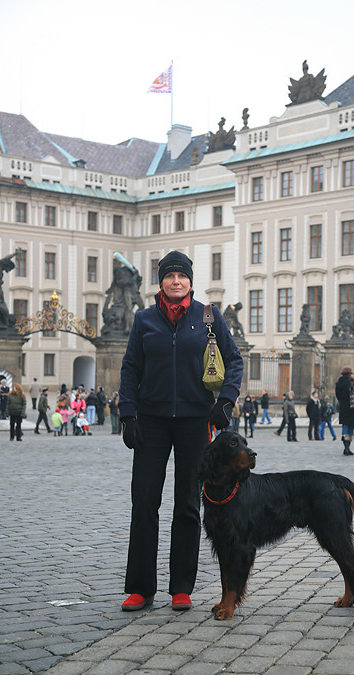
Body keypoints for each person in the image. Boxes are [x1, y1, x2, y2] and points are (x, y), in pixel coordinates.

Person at [118, 250, 243, 613]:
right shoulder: (144, 320)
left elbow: (234, 359)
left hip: (195, 422)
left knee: (188, 504)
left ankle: (181, 587)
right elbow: (129, 369)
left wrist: (226, 400)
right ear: (161, 282)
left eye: (182, 276)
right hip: (152, 421)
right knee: (144, 503)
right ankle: (141, 587)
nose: (176, 281)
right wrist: (128, 415)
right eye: (170, 276)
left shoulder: (208, 316)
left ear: (190, 281)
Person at [335, 366, 354, 455]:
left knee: (345, 426)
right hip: (353, 408)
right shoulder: (352, 383)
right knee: (351, 428)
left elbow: (338, 396)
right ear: (350, 374)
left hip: (344, 408)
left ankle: (345, 447)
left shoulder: (338, 383)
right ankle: (348, 447)